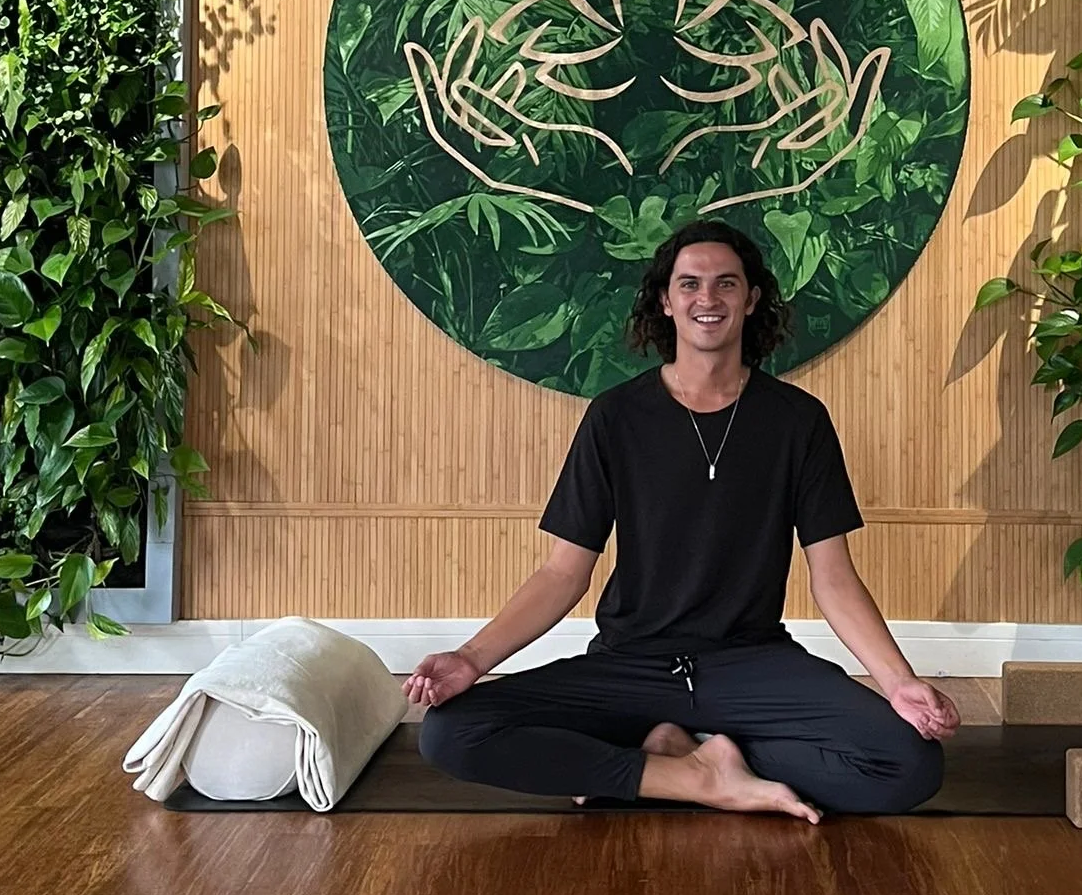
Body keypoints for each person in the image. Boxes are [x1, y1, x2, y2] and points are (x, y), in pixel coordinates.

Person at [409, 220, 960, 822]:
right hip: (631, 664)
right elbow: (562, 573)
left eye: (726, 283)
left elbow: (832, 576)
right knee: (451, 732)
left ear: (751, 300)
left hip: (751, 664)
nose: (707, 298)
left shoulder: (797, 421)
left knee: (909, 763)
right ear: (666, 301)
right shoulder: (616, 417)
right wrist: (471, 659)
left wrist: (899, 682)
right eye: (690, 284)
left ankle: (682, 749)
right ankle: (692, 775)